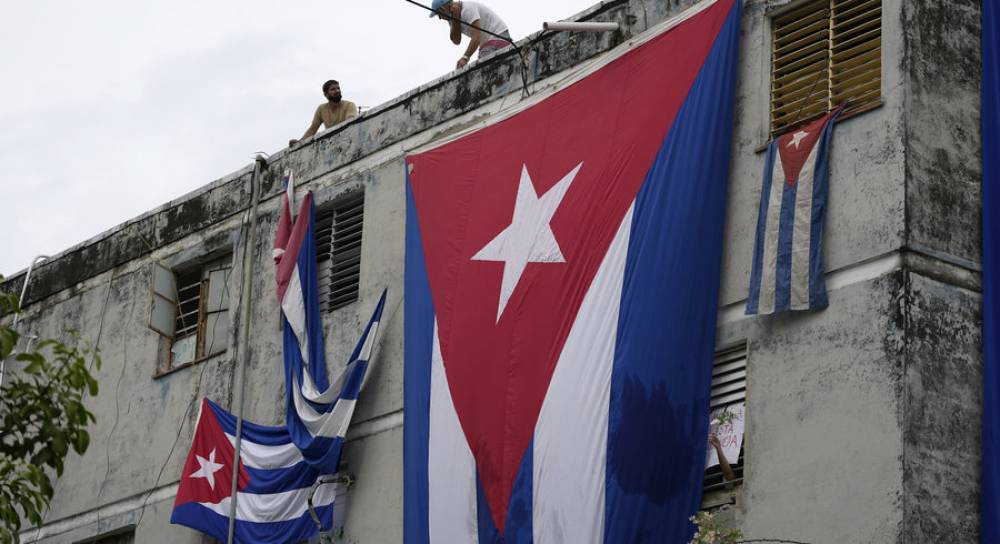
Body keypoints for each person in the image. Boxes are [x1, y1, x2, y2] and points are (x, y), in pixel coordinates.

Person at [430, 0, 511, 69]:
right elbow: (456, 41)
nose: (440, 18)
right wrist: (456, 19)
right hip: (487, 43)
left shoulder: (467, 9)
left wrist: (465, 58)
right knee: (483, 65)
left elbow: (476, 35)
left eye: (439, 15)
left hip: (499, 36)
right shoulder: (452, 19)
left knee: (484, 67)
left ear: (443, 9)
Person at [289, 80, 359, 147]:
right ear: (326, 94)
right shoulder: (321, 108)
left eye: (338, 88)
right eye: (333, 89)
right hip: (332, 143)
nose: (337, 91)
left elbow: (350, 122)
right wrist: (300, 142)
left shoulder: (349, 105)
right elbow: (313, 129)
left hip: (349, 139)